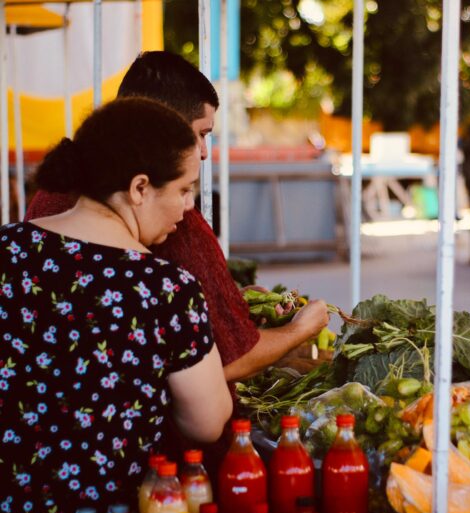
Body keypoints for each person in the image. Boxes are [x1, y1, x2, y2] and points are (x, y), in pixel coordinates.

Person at [0, 98, 233, 513]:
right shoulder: (165, 289)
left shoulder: (7, 249)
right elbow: (208, 422)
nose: (188, 208)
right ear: (139, 187)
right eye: (184, 190)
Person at [25, 51, 330, 380]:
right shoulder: (175, 232)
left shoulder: (40, 208)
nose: (202, 151)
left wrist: (229, 302)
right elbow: (227, 366)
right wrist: (300, 330)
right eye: (201, 133)